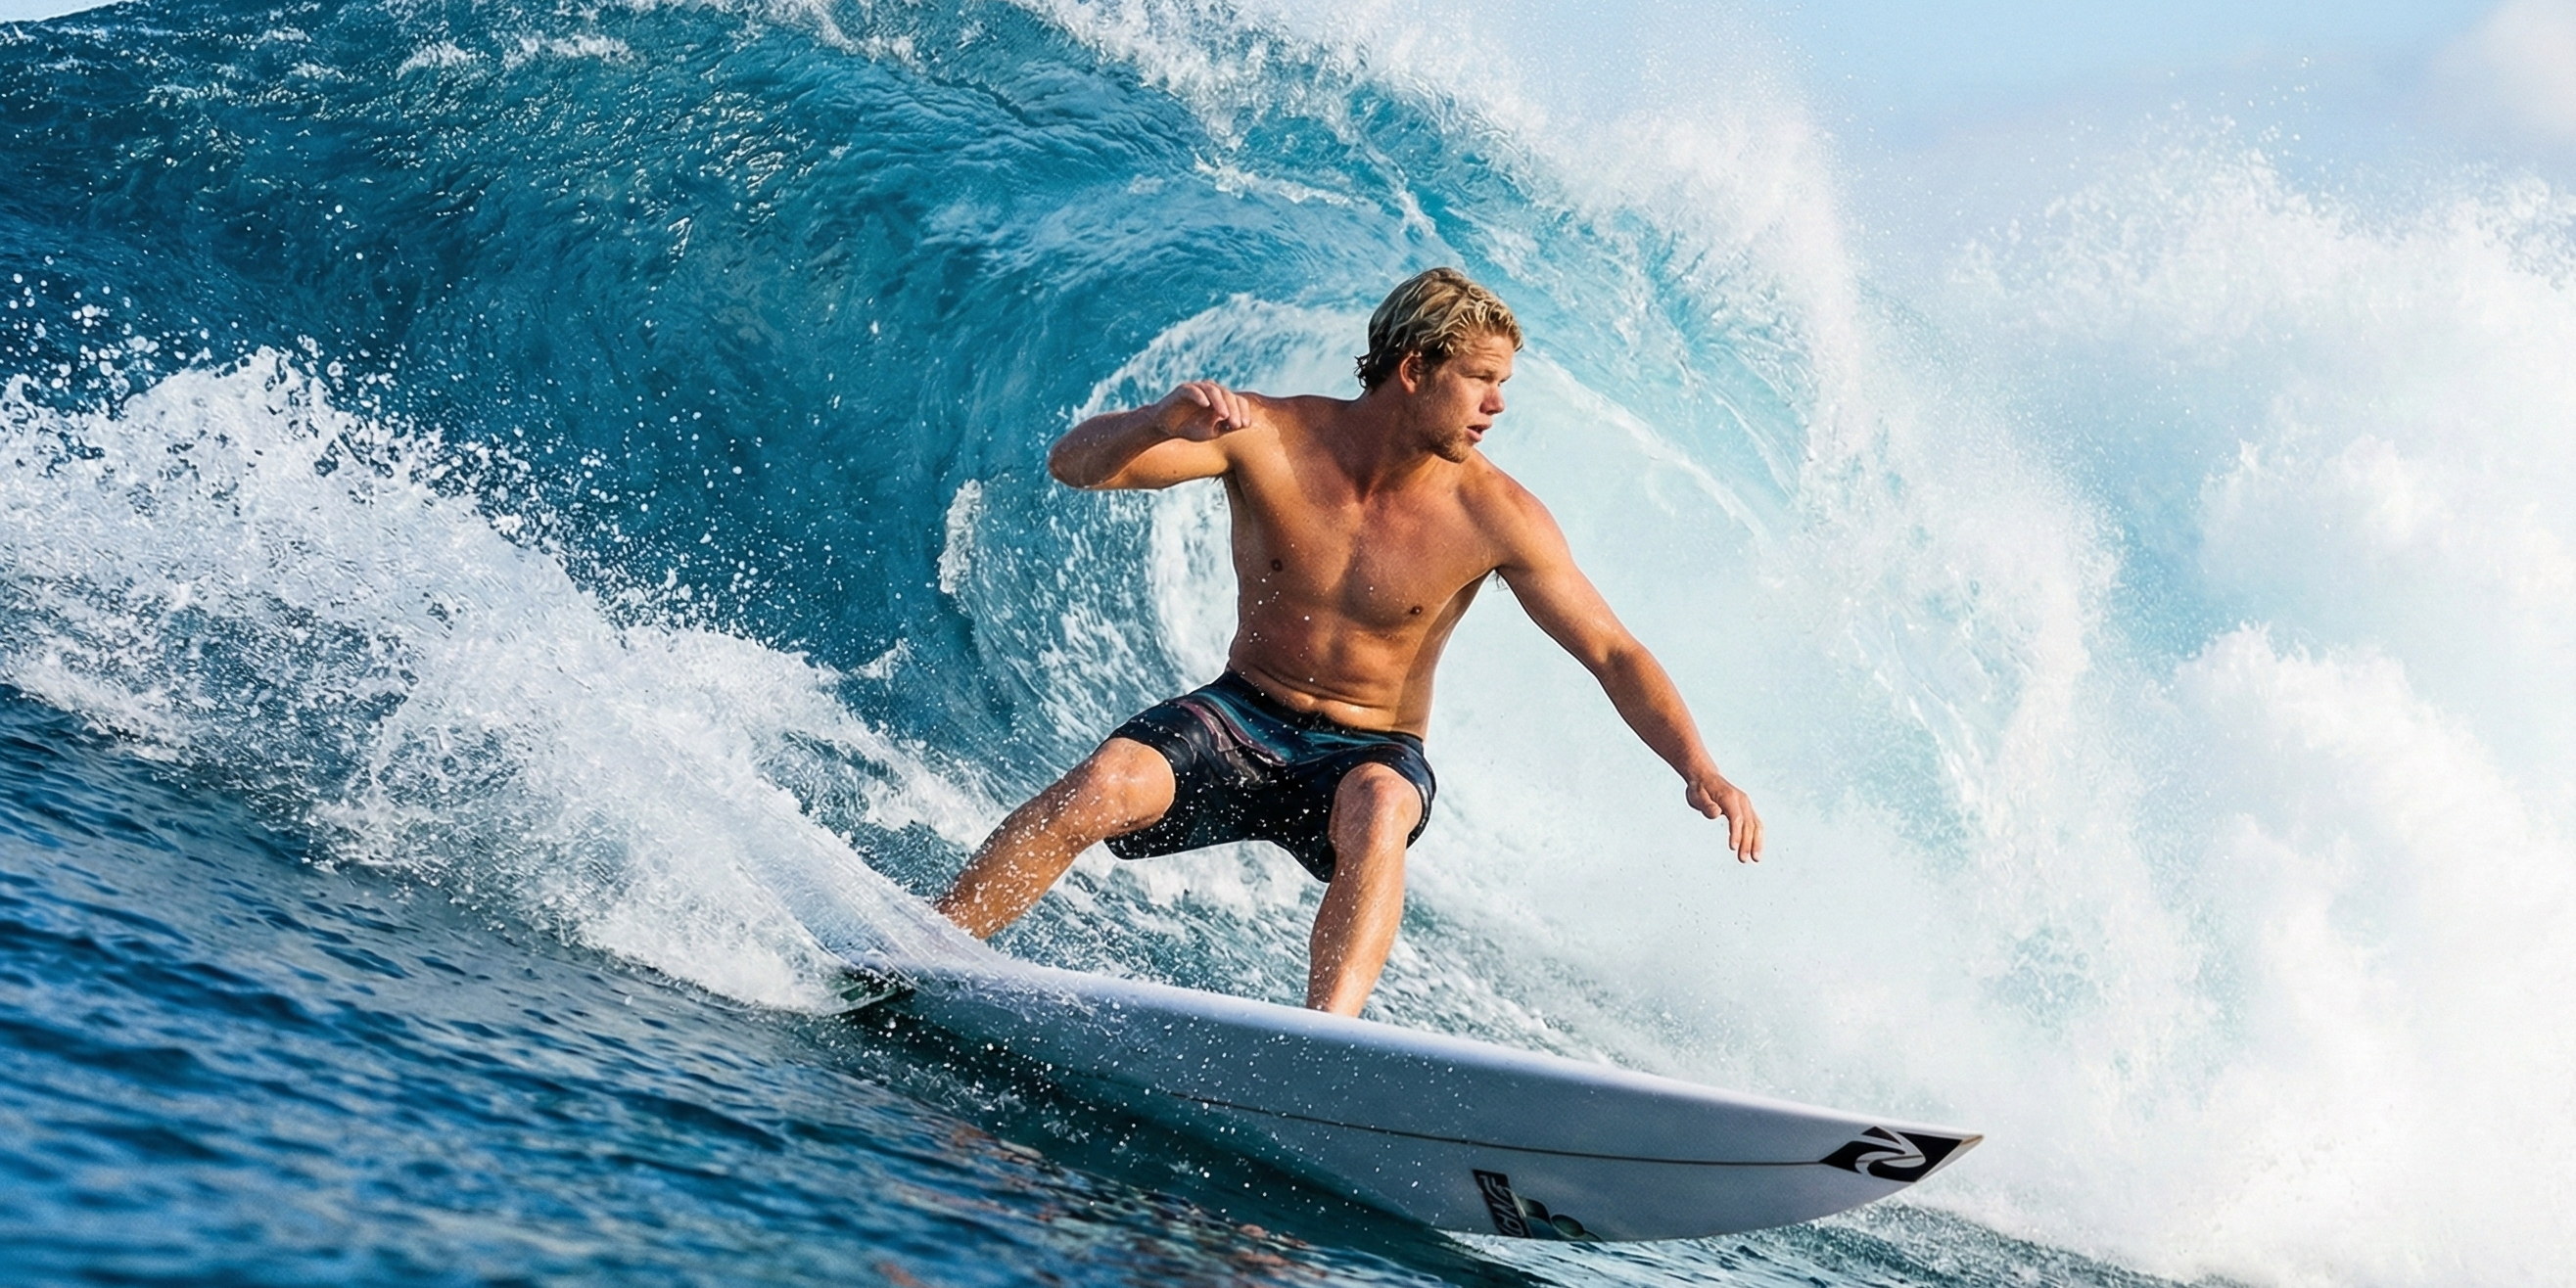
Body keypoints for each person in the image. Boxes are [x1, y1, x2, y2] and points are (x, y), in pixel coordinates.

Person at [934, 267, 1761, 1015]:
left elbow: (1612, 652)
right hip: (1239, 714)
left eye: (1501, 384)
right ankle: (929, 953)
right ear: (1414, 369)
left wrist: (1700, 767)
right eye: (1480, 379)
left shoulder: (1496, 516)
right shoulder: (1269, 437)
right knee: (1103, 784)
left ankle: (1325, 1046)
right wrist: (1155, 422)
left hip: (1366, 749)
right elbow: (1075, 466)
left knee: (1381, 805)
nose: (1496, 405)